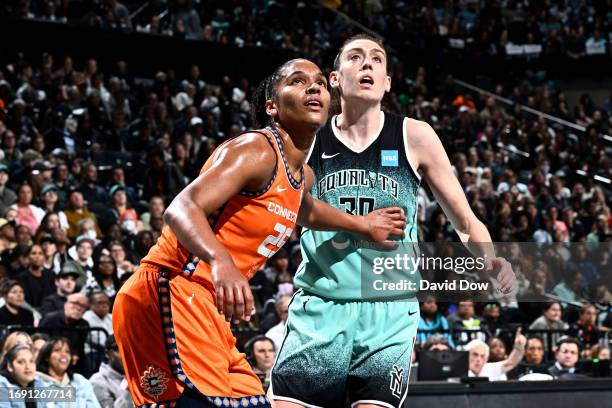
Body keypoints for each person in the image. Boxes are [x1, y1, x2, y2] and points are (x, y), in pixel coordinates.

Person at [113, 58, 405, 407]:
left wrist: (363, 224)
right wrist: (221, 260)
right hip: (171, 289)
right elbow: (181, 208)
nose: (313, 87)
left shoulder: (302, 176)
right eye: (297, 81)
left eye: (320, 84)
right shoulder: (256, 150)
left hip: (208, 308)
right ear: (272, 106)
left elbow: (304, 208)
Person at [271, 34, 515, 408]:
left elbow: (465, 221)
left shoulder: (414, 136)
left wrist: (492, 258)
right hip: (321, 305)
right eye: (355, 57)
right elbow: (294, 209)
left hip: (389, 310)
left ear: (386, 82)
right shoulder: (310, 138)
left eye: (377, 60)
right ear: (335, 79)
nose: (367, 64)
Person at [36, 337, 101, 407]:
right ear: (47, 357)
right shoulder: (37, 383)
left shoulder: (80, 381)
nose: (64, 354)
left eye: (67, 352)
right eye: (57, 350)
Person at [89, 335, 132, 408]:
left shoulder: (136, 376)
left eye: (126, 349)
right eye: (118, 350)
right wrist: (128, 390)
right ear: (107, 354)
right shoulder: (97, 381)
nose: (124, 355)